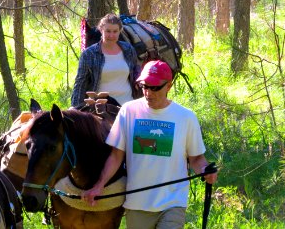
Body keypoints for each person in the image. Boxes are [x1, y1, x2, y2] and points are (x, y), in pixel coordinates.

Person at [81, 60, 217, 229]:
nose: (148, 93)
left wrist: (205, 171)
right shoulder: (128, 111)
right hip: (137, 203)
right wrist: (99, 186)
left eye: (155, 88)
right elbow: (116, 156)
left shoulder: (186, 117)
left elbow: (196, 159)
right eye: (145, 86)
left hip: (172, 202)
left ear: (169, 86)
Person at [71, 13, 142, 107]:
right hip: (101, 107)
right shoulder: (89, 54)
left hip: (128, 104)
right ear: (101, 30)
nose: (111, 35)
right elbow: (80, 83)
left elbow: (134, 73)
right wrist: (75, 107)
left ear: (120, 31)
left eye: (115, 31)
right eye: (108, 31)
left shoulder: (128, 49)